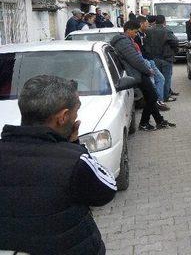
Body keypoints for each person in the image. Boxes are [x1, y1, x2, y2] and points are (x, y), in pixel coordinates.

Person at [0, 75, 116, 254]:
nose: (76, 117)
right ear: (63, 117)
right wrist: (75, 146)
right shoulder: (74, 161)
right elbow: (106, 190)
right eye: (76, 111)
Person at [110, 20, 175, 131]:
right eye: (135, 32)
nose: (136, 34)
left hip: (138, 72)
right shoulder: (123, 42)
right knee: (153, 96)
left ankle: (160, 121)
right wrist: (148, 70)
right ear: (128, 30)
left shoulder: (125, 40)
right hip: (137, 73)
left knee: (151, 97)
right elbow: (135, 60)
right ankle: (144, 123)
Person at [135, 16, 169, 111]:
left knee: (160, 79)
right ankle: (156, 102)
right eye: (146, 23)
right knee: (154, 82)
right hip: (145, 61)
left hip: (150, 60)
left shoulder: (145, 34)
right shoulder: (137, 36)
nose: (148, 25)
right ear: (141, 24)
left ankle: (159, 100)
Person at [144, 15, 179, 103]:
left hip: (154, 58)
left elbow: (145, 43)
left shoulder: (148, 31)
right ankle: (165, 96)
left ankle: (159, 97)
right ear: (164, 22)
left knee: (158, 79)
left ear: (155, 22)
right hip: (166, 58)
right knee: (166, 78)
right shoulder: (167, 31)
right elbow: (175, 42)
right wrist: (173, 51)